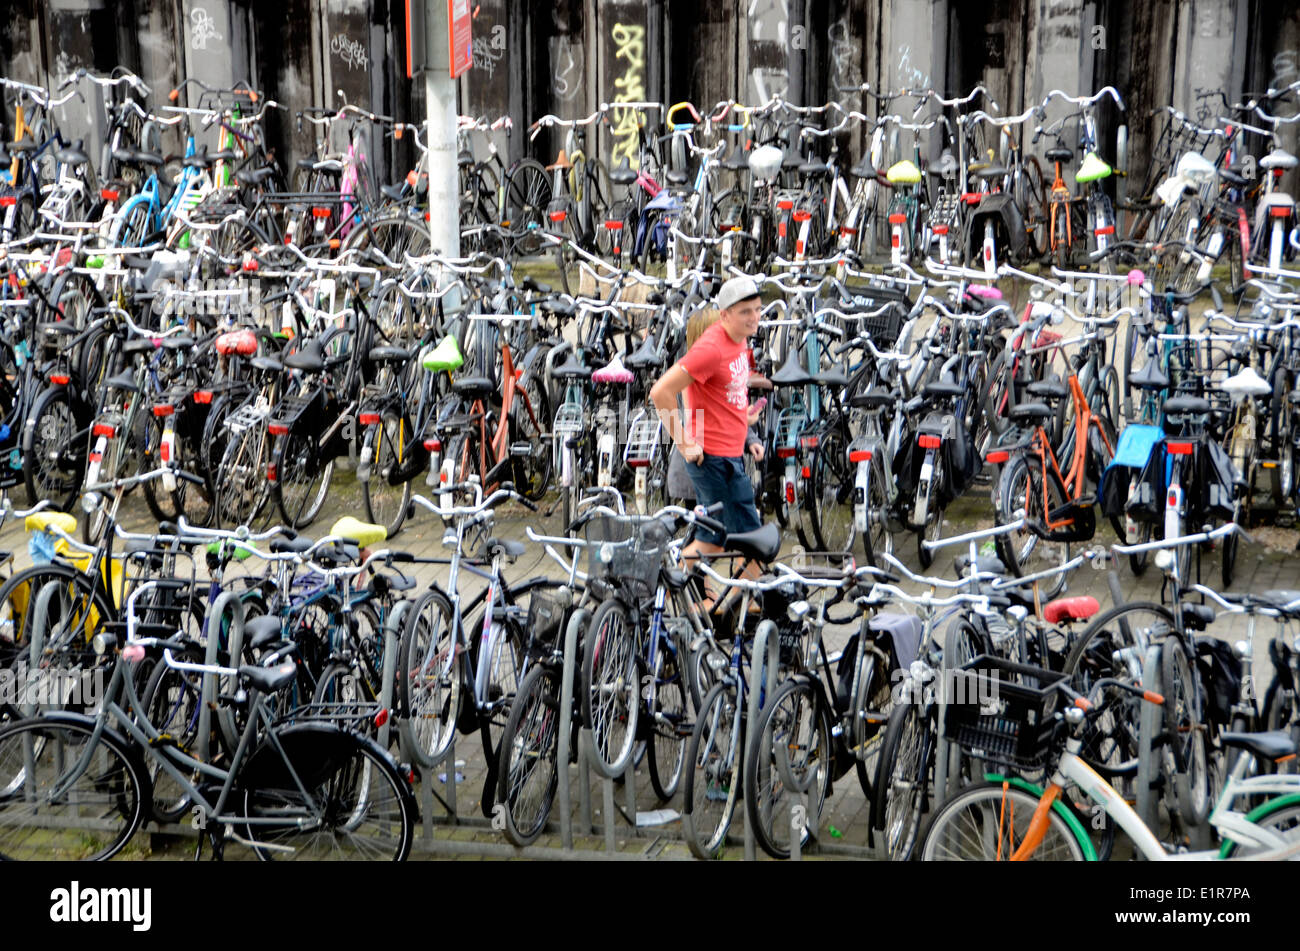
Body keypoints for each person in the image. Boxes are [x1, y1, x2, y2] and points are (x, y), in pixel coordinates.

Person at [650, 275, 766, 608]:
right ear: (724, 314)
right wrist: (685, 443)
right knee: (714, 541)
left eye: (757, 310)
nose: (754, 317)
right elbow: (661, 392)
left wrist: (744, 424)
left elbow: (728, 394)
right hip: (711, 459)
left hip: (730, 456)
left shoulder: (740, 341)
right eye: (745, 312)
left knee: (754, 542)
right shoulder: (712, 348)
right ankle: (654, 600)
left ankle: (722, 610)